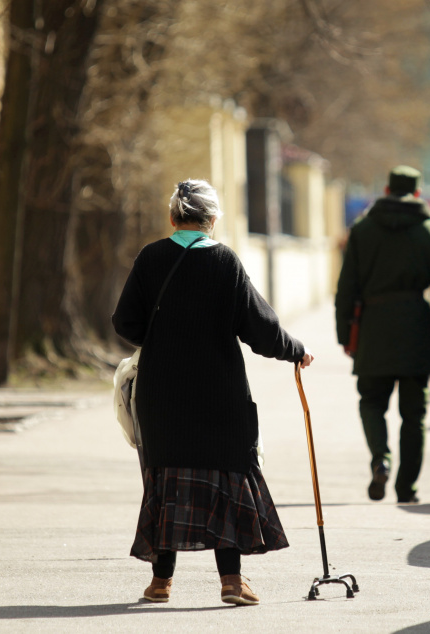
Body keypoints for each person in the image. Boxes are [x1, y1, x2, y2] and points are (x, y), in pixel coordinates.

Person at [112, 179, 314, 606]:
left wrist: (162, 330)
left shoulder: (151, 258)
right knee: (224, 479)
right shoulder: (225, 262)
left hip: (161, 394)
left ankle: (160, 582)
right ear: (213, 220)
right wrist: (296, 350)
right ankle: (231, 581)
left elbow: (125, 324)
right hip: (218, 394)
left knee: (166, 478)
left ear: (173, 217)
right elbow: (260, 329)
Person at [334, 165, 430, 504]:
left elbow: (346, 287)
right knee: (413, 415)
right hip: (416, 329)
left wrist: (345, 333)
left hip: (373, 327)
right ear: (417, 193)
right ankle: (407, 487)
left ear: (387, 190)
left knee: (371, 402)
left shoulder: (362, 230)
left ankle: (380, 459)